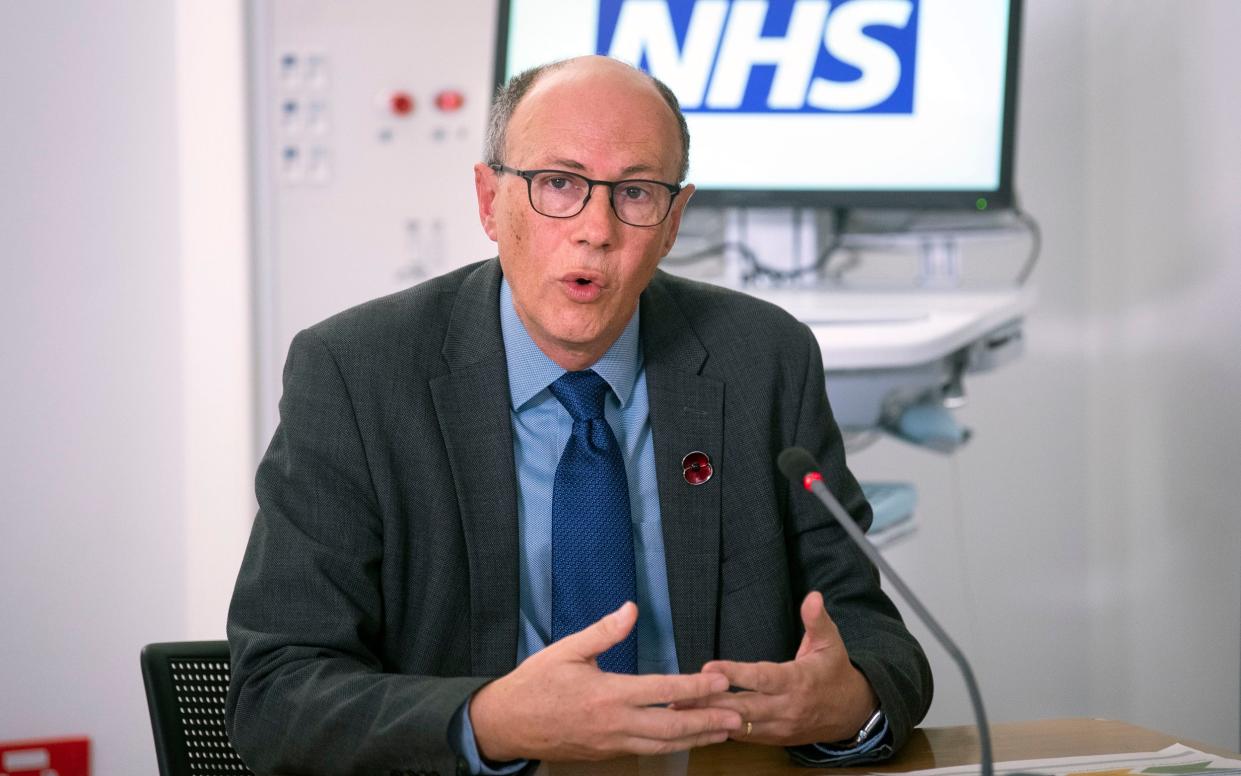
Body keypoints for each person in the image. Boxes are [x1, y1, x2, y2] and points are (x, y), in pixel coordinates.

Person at [226, 55, 932, 776]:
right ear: (488, 201)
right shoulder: (356, 374)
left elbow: (868, 634)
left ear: (672, 222)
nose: (595, 229)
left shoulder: (760, 360)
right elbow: (276, 695)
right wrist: (491, 722)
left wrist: (847, 703)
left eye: (634, 193)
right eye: (558, 184)